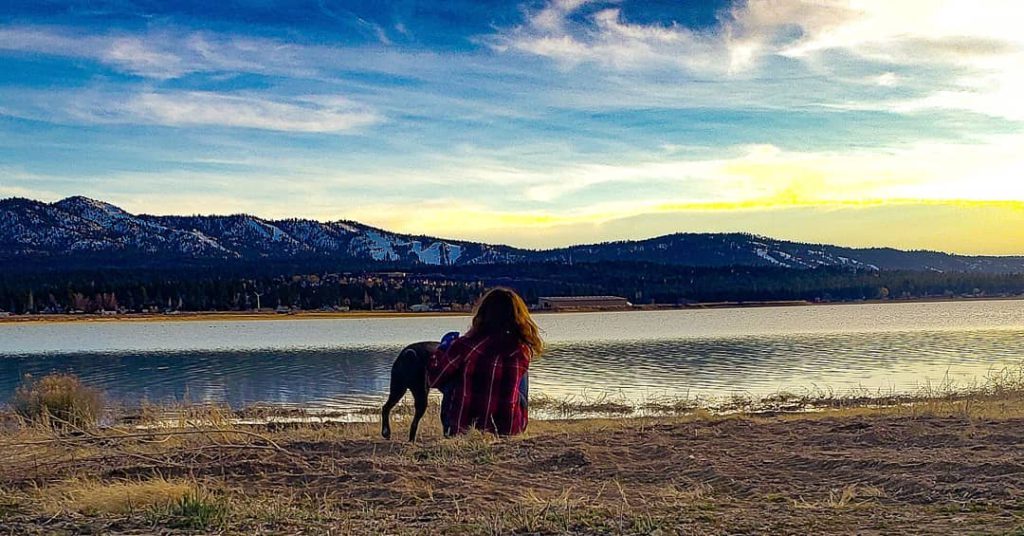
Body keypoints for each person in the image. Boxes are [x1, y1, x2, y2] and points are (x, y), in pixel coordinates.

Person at [427, 287, 542, 436]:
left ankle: (455, 425)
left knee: (453, 376)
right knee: (520, 376)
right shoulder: (523, 350)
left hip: (463, 430)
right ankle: (515, 424)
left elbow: (434, 379)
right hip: (510, 431)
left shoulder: (465, 345)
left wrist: (443, 349)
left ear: (483, 314)